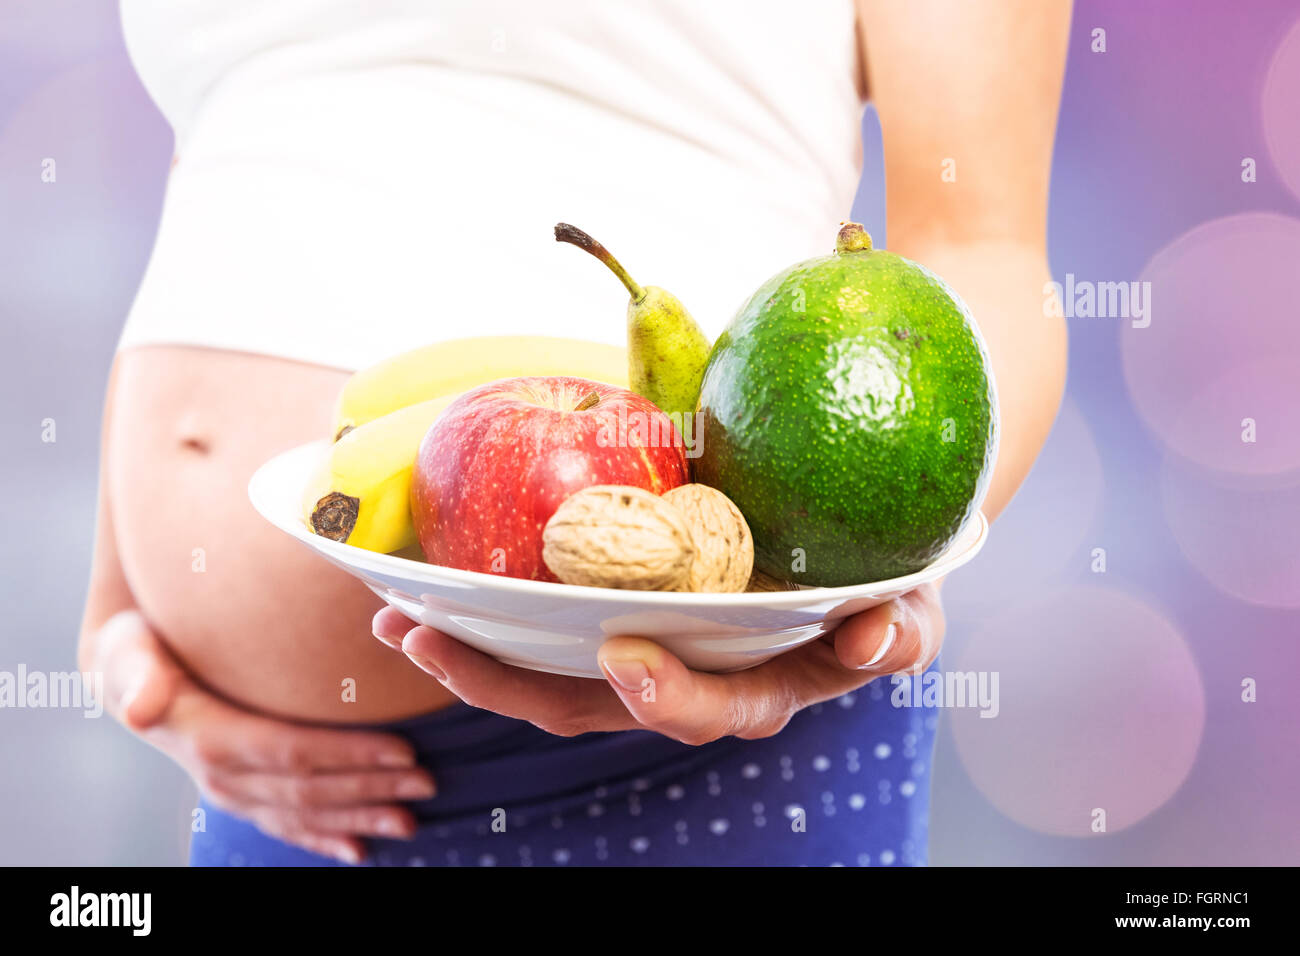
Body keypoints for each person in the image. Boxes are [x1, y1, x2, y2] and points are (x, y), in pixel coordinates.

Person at [81, 0, 1070, 866]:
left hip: (688, 755)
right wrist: (124, 605)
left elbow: (982, 242)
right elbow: (228, 159)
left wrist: (895, 575)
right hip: (272, 787)